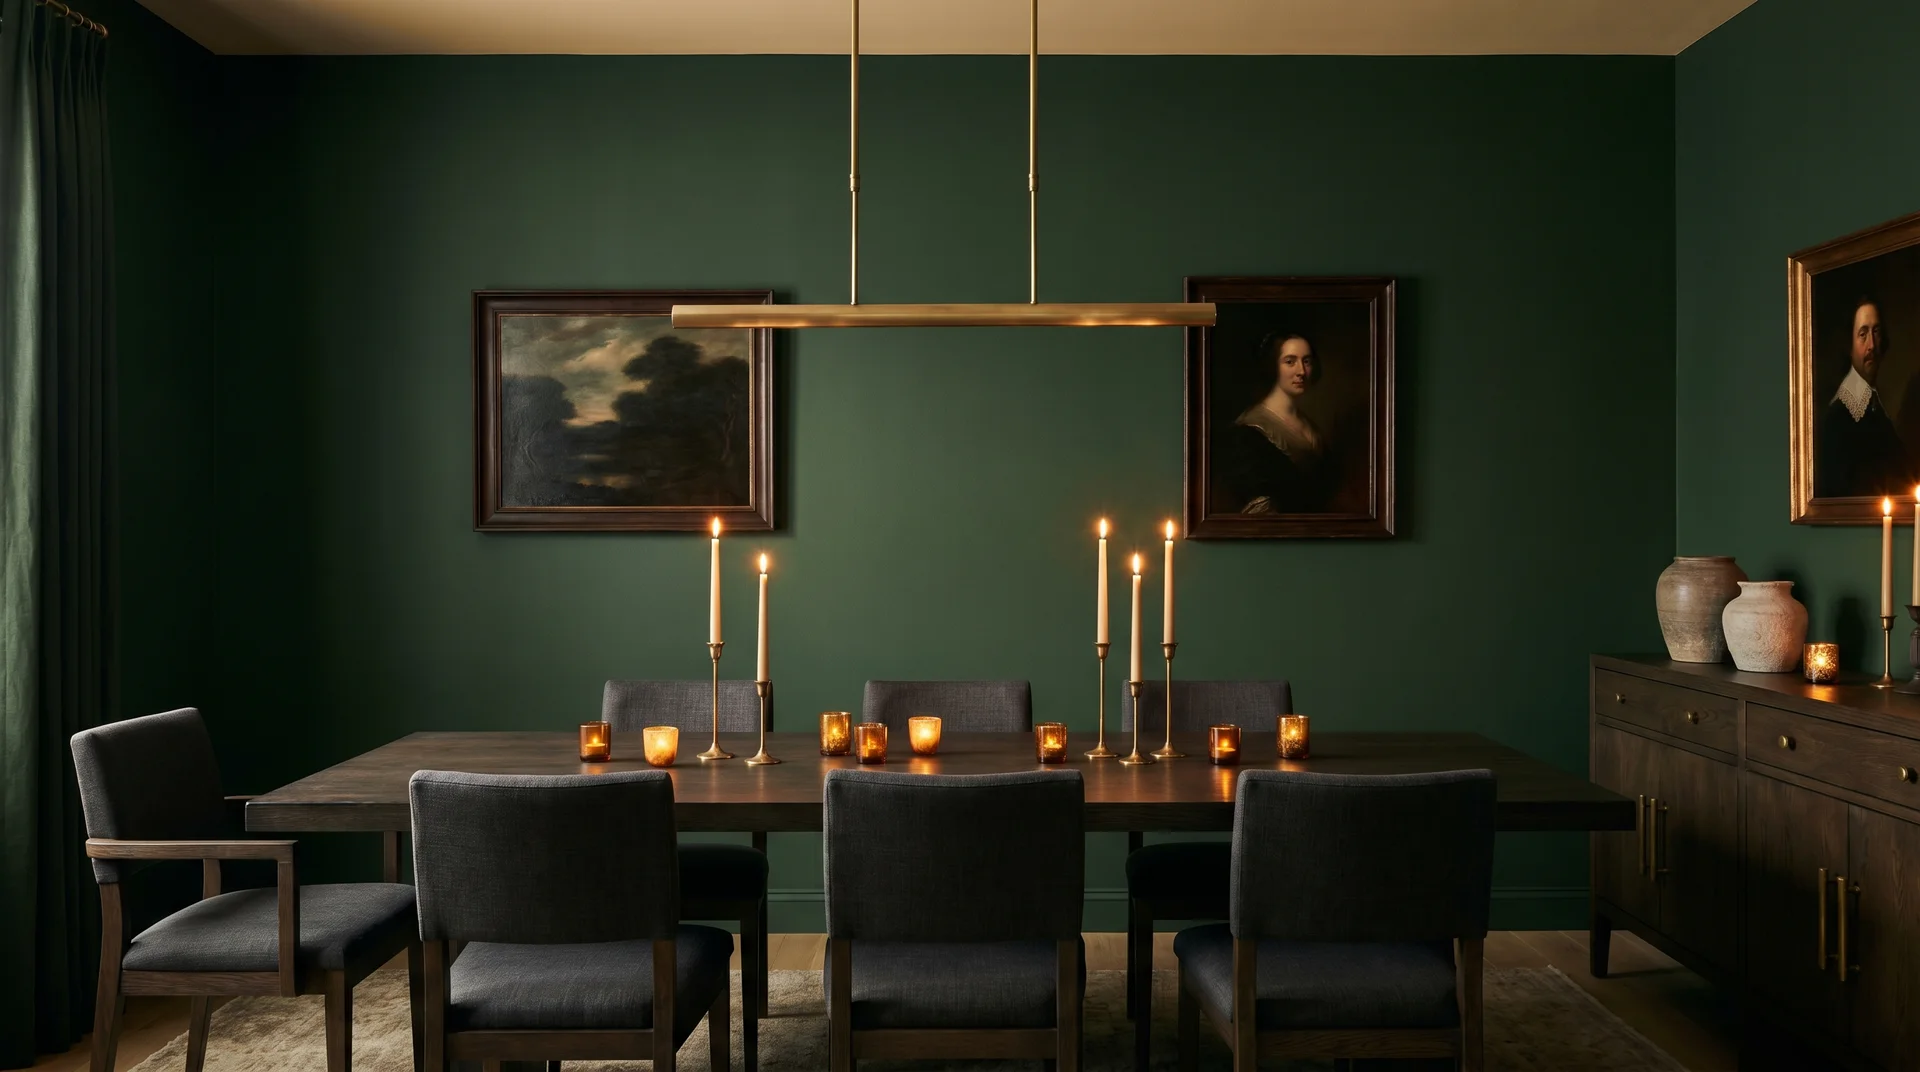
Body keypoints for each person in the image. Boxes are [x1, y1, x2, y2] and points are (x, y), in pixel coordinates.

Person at [1218, 332, 1330, 514]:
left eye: (1307, 361)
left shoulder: (1312, 428)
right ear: (1273, 366)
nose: (1301, 371)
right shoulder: (1249, 430)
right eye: (1290, 361)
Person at [1817, 297, 1914, 498]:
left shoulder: (1876, 409)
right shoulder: (1838, 418)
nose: (1871, 345)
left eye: (1876, 332)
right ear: (1849, 347)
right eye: (1863, 334)